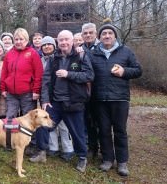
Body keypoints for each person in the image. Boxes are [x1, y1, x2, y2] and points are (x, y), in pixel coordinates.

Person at [30, 30, 94, 173]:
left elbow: (89, 75)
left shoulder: (81, 56)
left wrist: (68, 74)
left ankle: (82, 157)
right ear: (57, 42)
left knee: (77, 132)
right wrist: (45, 100)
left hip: (74, 102)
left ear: (72, 41)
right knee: (41, 125)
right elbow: (45, 81)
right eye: (61, 40)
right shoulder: (53, 58)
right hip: (55, 103)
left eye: (66, 39)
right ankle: (41, 152)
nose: (64, 42)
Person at [89, 21, 142, 176]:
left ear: (114, 36)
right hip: (99, 100)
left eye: (109, 33)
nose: (107, 36)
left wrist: (124, 71)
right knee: (103, 131)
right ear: (99, 37)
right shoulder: (93, 54)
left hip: (120, 99)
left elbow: (138, 70)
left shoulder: (125, 51)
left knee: (120, 131)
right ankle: (107, 159)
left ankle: (122, 162)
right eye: (104, 34)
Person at [40, 36, 74, 161]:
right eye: (44, 45)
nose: (46, 46)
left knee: (64, 124)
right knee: (49, 122)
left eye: (49, 44)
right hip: (47, 96)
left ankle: (68, 149)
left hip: (62, 96)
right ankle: (53, 147)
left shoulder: (59, 57)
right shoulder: (40, 59)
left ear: (54, 46)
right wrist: (44, 98)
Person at [0, 28, 43, 118]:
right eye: (16, 39)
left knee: (29, 119)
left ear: (26, 40)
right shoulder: (9, 54)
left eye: (21, 39)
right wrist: (3, 88)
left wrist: (36, 91)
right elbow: (4, 72)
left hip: (27, 93)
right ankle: (11, 132)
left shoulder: (33, 53)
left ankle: (27, 133)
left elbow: (38, 74)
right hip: (11, 94)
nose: (18, 42)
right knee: (10, 118)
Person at [80, 22, 100, 159]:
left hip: (100, 89)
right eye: (85, 33)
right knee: (88, 120)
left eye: (90, 32)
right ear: (82, 35)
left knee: (101, 122)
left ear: (95, 34)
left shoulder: (102, 47)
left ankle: (106, 150)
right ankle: (92, 147)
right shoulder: (79, 49)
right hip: (85, 91)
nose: (88, 35)